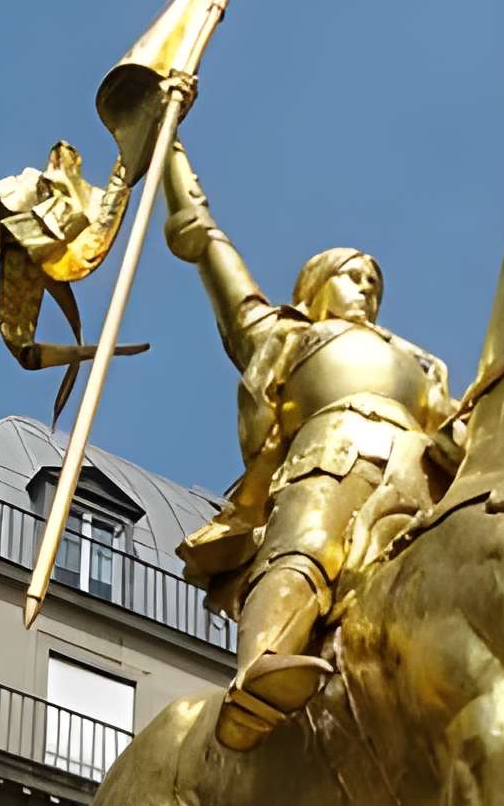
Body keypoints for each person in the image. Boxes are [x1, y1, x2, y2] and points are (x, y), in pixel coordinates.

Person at [163, 141, 454, 749]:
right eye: (353, 277)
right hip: (332, 455)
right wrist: (173, 158)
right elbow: (207, 243)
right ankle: (259, 673)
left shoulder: (421, 363)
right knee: (309, 546)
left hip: (419, 472)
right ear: (318, 284)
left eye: (375, 284)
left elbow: (459, 425)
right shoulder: (289, 338)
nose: (368, 292)